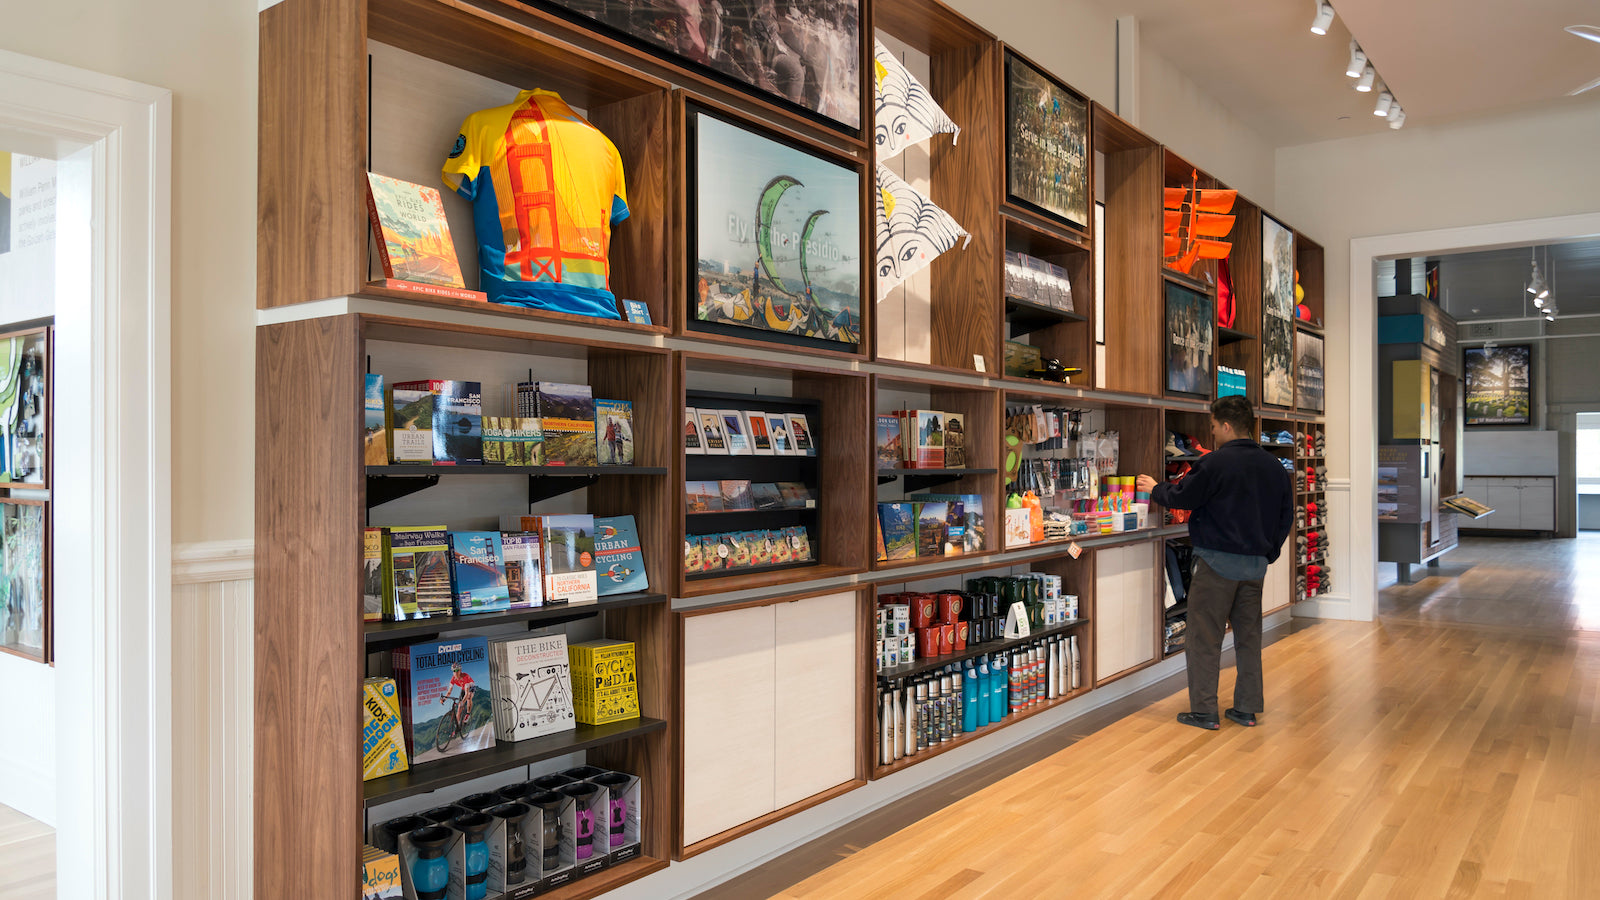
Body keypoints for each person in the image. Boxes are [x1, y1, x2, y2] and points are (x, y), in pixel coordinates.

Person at [1135, 395, 1292, 731]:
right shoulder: (1273, 467)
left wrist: (1155, 488)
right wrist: (1268, 553)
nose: (1212, 435)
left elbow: (1184, 497)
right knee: (1249, 638)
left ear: (1225, 425)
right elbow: (1285, 517)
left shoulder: (1215, 463)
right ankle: (1246, 709)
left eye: (1212, 427)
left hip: (1217, 564)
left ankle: (1205, 711)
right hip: (1254, 568)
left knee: (1204, 638)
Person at [444, 662, 475, 728]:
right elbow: (449, 692)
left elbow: (466, 694)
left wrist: (462, 702)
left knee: (469, 697)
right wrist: (444, 699)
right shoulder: (453, 679)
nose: (455, 672)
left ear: (460, 670)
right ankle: (457, 726)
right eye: (454, 671)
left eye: (457, 670)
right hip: (463, 688)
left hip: (470, 686)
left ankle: (468, 714)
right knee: (459, 708)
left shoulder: (465, 677)